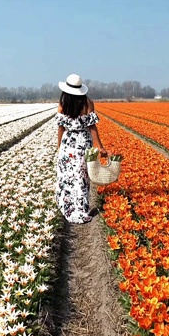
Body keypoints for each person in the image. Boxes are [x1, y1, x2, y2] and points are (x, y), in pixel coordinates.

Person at [55, 74, 108, 224]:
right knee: (82, 175)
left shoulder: (63, 104)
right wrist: (100, 147)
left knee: (67, 175)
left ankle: (67, 206)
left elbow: (61, 128)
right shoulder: (88, 103)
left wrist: (60, 147)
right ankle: (81, 208)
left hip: (68, 144)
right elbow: (92, 127)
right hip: (83, 143)